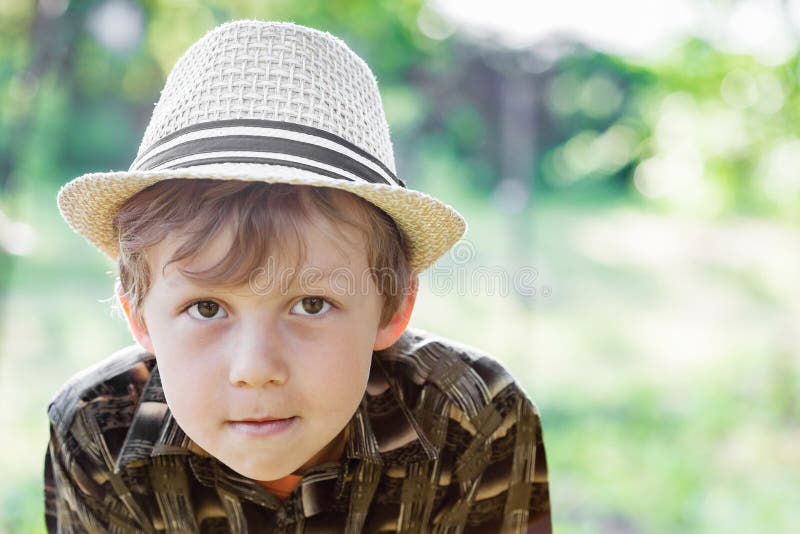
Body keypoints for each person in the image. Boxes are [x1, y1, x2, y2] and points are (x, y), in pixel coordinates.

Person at [44, 19, 551, 533]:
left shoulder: (475, 418)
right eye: (206, 308)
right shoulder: (95, 433)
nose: (256, 368)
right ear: (140, 317)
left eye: (311, 304)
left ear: (392, 305)